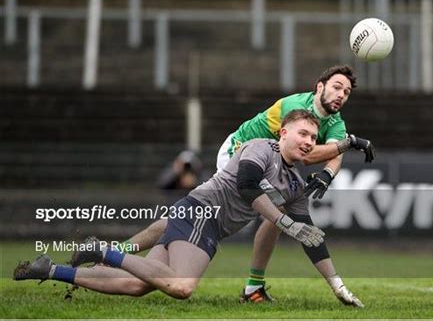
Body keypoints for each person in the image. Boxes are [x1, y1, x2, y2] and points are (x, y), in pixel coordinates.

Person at [117, 65, 373, 307]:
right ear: (319, 87)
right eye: (336, 87)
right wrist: (347, 144)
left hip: (266, 163)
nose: (341, 94)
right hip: (239, 151)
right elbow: (308, 154)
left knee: (207, 216)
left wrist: (328, 174)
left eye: (347, 92)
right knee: (214, 214)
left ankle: (119, 251)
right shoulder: (295, 106)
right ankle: (253, 287)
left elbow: (334, 153)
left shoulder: (335, 121)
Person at [14, 110, 328, 301]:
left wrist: (338, 285)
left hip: (201, 220)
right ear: (283, 132)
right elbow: (247, 188)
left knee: (136, 284)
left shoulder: (296, 183)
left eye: (314, 137)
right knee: (181, 286)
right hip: (201, 214)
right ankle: (103, 251)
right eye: (303, 133)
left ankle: (51, 269)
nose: (309, 141)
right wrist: (288, 224)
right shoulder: (260, 148)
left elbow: (308, 230)